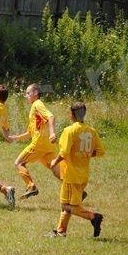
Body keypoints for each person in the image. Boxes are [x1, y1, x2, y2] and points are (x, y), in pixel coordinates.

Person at [46, 102, 104, 238]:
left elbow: (64, 152)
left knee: (66, 205)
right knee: (69, 204)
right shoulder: (92, 131)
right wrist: (85, 154)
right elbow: (100, 151)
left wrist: (54, 162)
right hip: (84, 175)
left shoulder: (69, 131)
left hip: (71, 175)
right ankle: (61, 231)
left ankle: (93, 217)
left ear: (71, 114)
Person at [10, 83, 61, 199]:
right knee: (55, 168)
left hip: (39, 143)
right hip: (48, 145)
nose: (26, 96)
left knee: (19, 163)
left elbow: (51, 117)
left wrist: (52, 133)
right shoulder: (34, 108)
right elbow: (30, 132)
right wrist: (16, 138)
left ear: (36, 93)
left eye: (28, 93)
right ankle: (76, 188)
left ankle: (31, 186)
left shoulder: (37, 104)